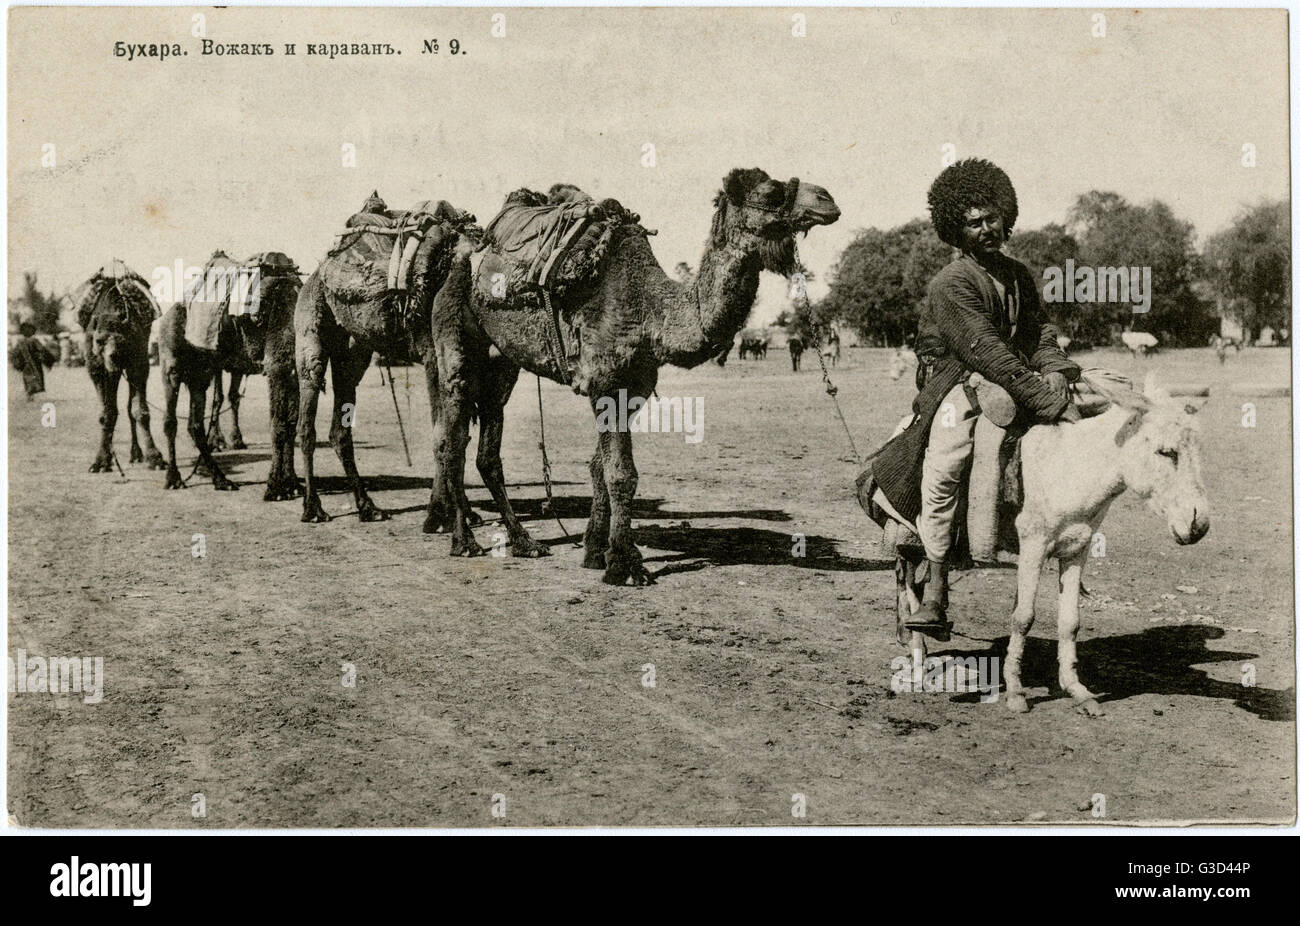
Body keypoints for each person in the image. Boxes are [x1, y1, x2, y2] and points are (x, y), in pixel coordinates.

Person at [871, 159, 1080, 638]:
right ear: (956, 229)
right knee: (947, 458)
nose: (987, 228)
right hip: (955, 379)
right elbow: (985, 351)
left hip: (1013, 375)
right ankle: (938, 587)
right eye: (974, 222)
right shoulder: (952, 283)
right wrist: (1048, 401)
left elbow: (1039, 332)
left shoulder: (1019, 274)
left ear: (1006, 214)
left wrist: (1057, 373)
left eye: (992, 217)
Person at [9, 322, 57, 400]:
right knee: (36, 377)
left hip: (25, 364)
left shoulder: (20, 342)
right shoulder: (34, 340)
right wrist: (49, 359)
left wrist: (17, 362)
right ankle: (31, 393)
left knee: (27, 378)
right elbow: (42, 349)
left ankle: (29, 393)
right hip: (34, 363)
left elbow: (15, 352)